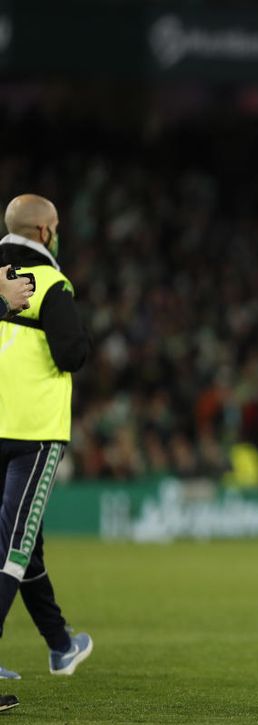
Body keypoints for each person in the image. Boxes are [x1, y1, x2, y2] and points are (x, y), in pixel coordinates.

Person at [0, 194, 94, 711]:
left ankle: (60, 645)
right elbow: (71, 353)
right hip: (33, 433)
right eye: (55, 226)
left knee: (23, 542)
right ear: (44, 233)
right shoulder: (50, 283)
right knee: (13, 549)